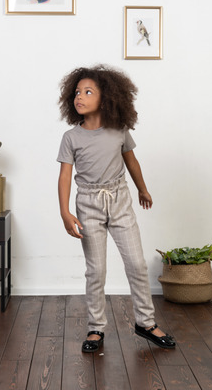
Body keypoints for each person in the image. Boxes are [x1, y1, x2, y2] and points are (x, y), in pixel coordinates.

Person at [57, 64, 175, 352]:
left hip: (120, 201)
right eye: (76, 92)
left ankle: (145, 322)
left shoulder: (119, 131)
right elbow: (64, 176)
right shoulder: (71, 137)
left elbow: (131, 162)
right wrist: (65, 212)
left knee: (136, 263)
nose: (79, 97)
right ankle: (96, 328)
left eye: (88, 92)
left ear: (106, 97)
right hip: (88, 204)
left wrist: (142, 189)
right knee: (96, 270)